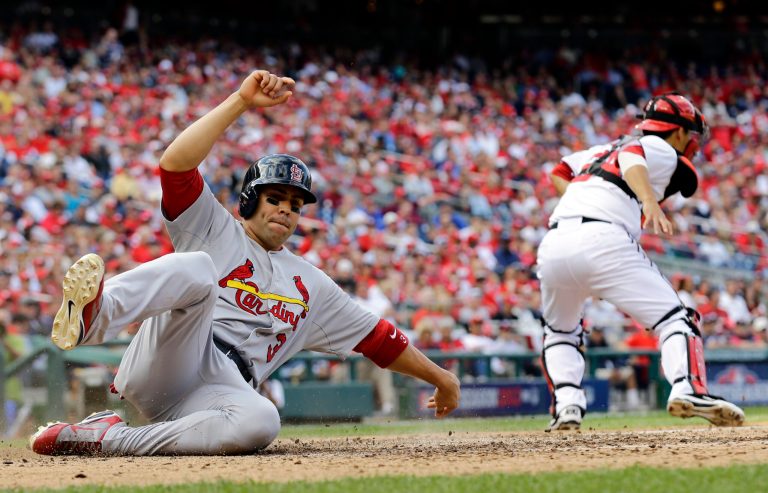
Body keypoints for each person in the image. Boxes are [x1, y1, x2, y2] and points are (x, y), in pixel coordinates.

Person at [30, 70, 460, 456]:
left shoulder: (312, 284)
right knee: (197, 266)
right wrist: (239, 101)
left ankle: (106, 438)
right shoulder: (215, 229)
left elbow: (379, 339)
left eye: (295, 204)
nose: (286, 210)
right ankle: (94, 316)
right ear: (252, 200)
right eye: (275, 198)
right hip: (171, 357)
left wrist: (441, 377)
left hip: (219, 393)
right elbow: (175, 167)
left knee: (263, 420)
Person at [537, 93, 745, 431]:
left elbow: (559, 171)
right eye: (689, 134)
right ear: (677, 131)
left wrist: (586, 198)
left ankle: (567, 407)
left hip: (556, 240)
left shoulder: (598, 150)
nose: (691, 142)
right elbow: (635, 154)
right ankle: (689, 388)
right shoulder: (656, 146)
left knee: (561, 331)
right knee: (678, 318)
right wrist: (648, 200)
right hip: (603, 239)